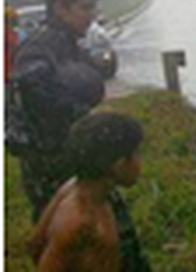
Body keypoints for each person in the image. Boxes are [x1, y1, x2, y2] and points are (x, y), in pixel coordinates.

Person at [11, 0, 107, 219]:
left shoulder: (70, 45)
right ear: (60, 8)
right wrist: (81, 115)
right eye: (84, 7)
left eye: (93, 8)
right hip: (50, 161)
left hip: (75, 153)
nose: (91, 15)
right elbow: (36, 94)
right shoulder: (41, 47)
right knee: (60, 229)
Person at [28, 112, 149, 272]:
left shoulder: (77, 186)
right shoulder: (81, 224)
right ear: (119, 165)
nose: (140, 161)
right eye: (137, 153)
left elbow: (34, 244)